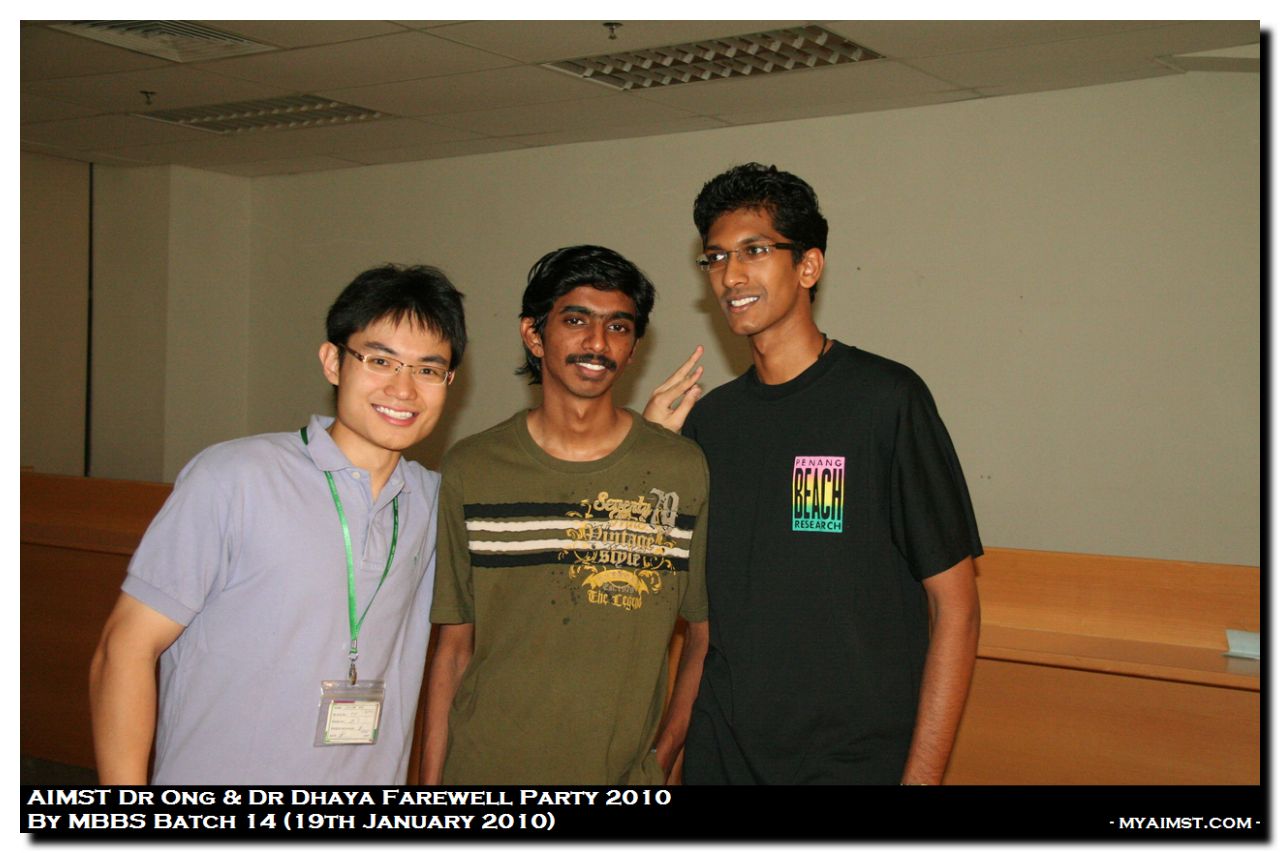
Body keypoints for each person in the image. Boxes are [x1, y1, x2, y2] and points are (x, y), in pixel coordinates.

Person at [645, 163, 982, 785]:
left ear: (808, 266)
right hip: (723, 757)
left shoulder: (886, 401)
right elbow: (701, 627)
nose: (730, 275)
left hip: (850, 762)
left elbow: (956, 608)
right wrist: (664, 754)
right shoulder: (710, 423)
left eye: (754, 251)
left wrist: (921, 781)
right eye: (715, 257)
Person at [88, 264, 467, 785]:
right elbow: (125, 649)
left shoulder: (434, 502)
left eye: (427, 370)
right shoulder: (234, 477)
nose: (403, 389)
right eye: (380, 360)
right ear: (333, 361)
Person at [423, 245, 710, 785]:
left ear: (633, 348)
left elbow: (701, 637)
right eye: (576, 320)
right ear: (534, 335)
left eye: (618, 327)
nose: (597, 343)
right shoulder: (472, 467)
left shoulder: (681, 470)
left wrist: (662, 758)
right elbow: (452, 650)